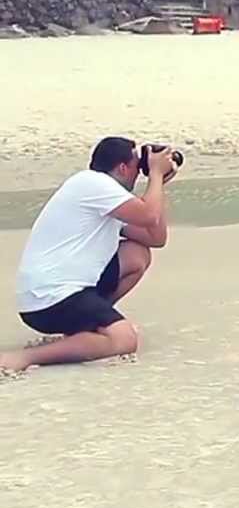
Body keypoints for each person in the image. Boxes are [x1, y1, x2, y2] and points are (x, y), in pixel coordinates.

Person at [0, 137, 176, 374]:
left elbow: (156, 237)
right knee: (125, 340)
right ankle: (24, 357)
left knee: (137, 254)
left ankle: (87, 329)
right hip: (50, 298)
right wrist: (155, 174)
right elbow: (149, 216)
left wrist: (159, 183)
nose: (139, 173)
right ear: (123, 168)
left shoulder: (108, 198)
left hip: (64, 291)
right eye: (138, 166)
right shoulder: (93, 184)